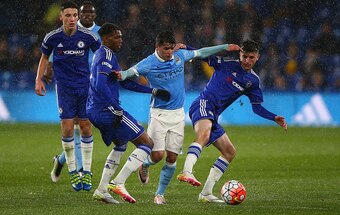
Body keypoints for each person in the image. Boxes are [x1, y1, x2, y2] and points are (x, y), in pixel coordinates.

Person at [114, 30, 241, 204]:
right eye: (165, 49)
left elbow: (202, 52)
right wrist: (121, 74)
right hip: (158, 114)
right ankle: (145, 165)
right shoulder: (149, 63)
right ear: (157, 47)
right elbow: (130, 72)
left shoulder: (179, 55)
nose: (169, 52)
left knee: (172, 157)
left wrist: (225, 47)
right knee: (157, 155)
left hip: (178, 114)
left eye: (171, 48)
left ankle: (159, 195)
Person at [176, 40, 287, 203]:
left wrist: (273, 117)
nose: (247, 61)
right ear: (239, 55)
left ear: (257, 57)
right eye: (244, 56)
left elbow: (257, 108)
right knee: (204, 134)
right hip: (203, 103)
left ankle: (205, 193)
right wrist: (188, 48)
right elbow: (202, 56)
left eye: (251, 57)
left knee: (229, 152)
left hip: (214, 115)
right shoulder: (226, 64)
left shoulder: (253, 81)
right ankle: (187, 171)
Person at [86, 23, 171, 204]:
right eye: (117, 37)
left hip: (95, 109)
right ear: (106, 38)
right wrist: (114, 107)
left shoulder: (105, 56)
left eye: (121, 37)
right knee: (147, 143)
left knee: (121, 144)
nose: (121, 40)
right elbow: (100, 85)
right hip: (105, 108)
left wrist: (152, 91)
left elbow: (123, 83)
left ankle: (102, 189)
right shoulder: (105, 56)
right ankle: (118, 182)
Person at [35, 1, 101, 191]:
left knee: (87, 127)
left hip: (85, 87)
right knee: (67, 129)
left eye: (75, 15)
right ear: (61, 17)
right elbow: (44, 58)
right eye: (69, 15)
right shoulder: (52, 37)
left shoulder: (89, 36)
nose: (72, 19)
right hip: (64, 88)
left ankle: (86, 173)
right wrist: (38, 79)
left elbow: (102, 55)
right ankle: (73, 172)